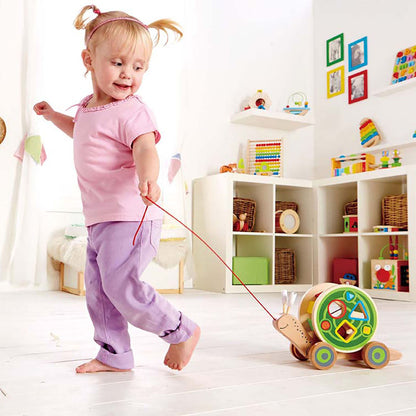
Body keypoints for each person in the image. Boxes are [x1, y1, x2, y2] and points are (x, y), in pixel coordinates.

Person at [33, 5, 200, 373]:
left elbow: (145, 148)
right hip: (99, 219)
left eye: (139, 67)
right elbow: (81, 130)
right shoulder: (88, 108)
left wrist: (148, 178)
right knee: (99, 290)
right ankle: (114, 355)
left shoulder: (132, 111)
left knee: (121, 285)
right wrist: (53, 115)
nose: (128, 75)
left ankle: (180, 330)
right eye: (119, 63)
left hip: (131, 216)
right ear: (89, 60)